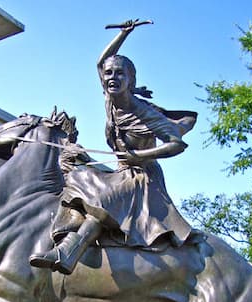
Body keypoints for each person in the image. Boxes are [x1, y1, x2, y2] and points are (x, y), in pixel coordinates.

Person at [30, 19, 198, 275]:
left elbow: (177, 144)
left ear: (130, 80)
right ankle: (65, 233)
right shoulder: (110, 98)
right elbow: (101, 61)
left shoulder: (142, 112)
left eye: (120, 73)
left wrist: (139, 155)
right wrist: (123, 34)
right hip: (122, 170)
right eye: (109, 74)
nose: (112, 77)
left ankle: (68, 253)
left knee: (105, 197)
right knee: (78, 175)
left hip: (142, 176)